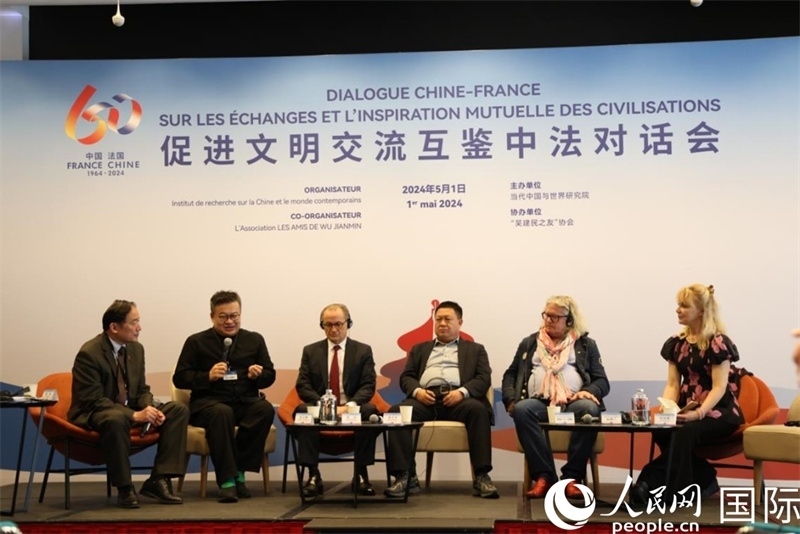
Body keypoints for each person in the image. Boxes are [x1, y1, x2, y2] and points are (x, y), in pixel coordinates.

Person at [69, 300, 188, 508]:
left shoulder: (136, 349)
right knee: (115, 419)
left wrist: (148, 408)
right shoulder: (89, 353)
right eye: (134, 322)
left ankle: (159, 479)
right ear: (114, 327)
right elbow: (94, 400)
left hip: (128, 409)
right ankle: (125, 488)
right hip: (95, 412)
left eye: (138, 321)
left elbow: (141, 389)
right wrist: (134, 415)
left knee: (178, 410)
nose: (139, 327)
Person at [632, 284, 744, 504]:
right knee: (662, 430)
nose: (678, 309)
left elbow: (719, 387)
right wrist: (667, 408)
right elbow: (673, 384)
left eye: (684, 306)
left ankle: (651, 483)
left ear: (701, 311)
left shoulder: (718, 342)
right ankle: (703, 478)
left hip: (718, 412)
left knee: (685, 433)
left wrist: (699, 413)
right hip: (687, 409)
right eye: (678, 305)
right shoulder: (677, 343)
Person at [384, 301, 499, 499]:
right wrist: (418, 392)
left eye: (447, 319)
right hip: (425, 399)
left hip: (459, 399)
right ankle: (406, 476)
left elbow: (483, 378)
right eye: (438, 320)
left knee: (478, 410)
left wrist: (462, 392)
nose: (442, 323)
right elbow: (406, 377)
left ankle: (482, 476)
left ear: (460, 322)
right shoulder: (420, 349)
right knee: (396, 413)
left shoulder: (475, 350)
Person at [501, 295, 610, 499]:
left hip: (574, 402)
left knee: (589, 409)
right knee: (522, 409)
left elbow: (602, 381)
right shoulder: (530, 343)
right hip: (540, 402)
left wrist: (589, 391)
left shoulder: (586, 344)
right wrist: (510, 399)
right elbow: (511, 374)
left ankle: (572, 478)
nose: (548, 320)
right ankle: (545, 477)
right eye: (546, 315)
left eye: (555, 317)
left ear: (569, 320)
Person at [172, 290, 276, 503]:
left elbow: (269, 375)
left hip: (245, 401)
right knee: (222, 413)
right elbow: (180, 378)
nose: (230, 321)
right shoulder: (196, 342)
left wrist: (258, 375)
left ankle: (239, 472)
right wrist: (207, 376)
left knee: (264, 409)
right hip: (209, 404)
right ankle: (227, 482)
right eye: (223, 317)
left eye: (234, 316)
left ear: (240, 314)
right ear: (212, 316)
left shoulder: (254, 340)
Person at [294, 304, 379, 497]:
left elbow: (368, 385)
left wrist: (349, 406)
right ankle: (313, 474)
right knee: (301, 412)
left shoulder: (363, 351)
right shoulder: (310, 351)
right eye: (328, 325)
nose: (333, 329)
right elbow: (303, 385)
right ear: (322, 326)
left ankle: (361, 473)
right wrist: (325, 406)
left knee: (370, 410)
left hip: (351, 410)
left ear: (349, 324)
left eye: (338, 324)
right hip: (321, 409)